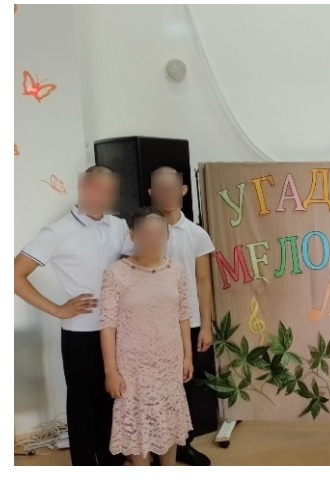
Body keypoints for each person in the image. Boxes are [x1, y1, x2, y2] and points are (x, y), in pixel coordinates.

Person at [15, 164, 128, 466]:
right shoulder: (58, 231)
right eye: (95, 187)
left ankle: (112, 462)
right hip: (81, 333)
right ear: (81, 187)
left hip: (117, 330)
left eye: (108, 190)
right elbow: (14, 275)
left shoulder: (119, 226)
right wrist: (57, 309)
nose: (100, 195)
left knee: (112, 400)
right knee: (82, 405)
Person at [100, 206, 193, 465]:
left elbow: (183, 314)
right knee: (138, 425)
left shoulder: (175, 270)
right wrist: (111, 371)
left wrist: (187, 356)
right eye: (146, 234)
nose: (153, 240)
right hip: (133, 368)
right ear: (133, 235)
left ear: (167, 236)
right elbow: (107, 325)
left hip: (169, 363)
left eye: (159, 234)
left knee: (169, 421)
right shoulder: (116, 272)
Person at [143, 167, 217, 464]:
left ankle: (183, 444)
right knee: (153, 386)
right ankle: (152, 446)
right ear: (151, 193)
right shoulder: (140, 231)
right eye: (160, 189)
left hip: (190, 322)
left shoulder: (196, 234)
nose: (167, 194)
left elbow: (204, 281)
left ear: (183, 190)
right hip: (152, 325)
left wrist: (206, 325)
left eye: (172, 188)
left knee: (187, 386)